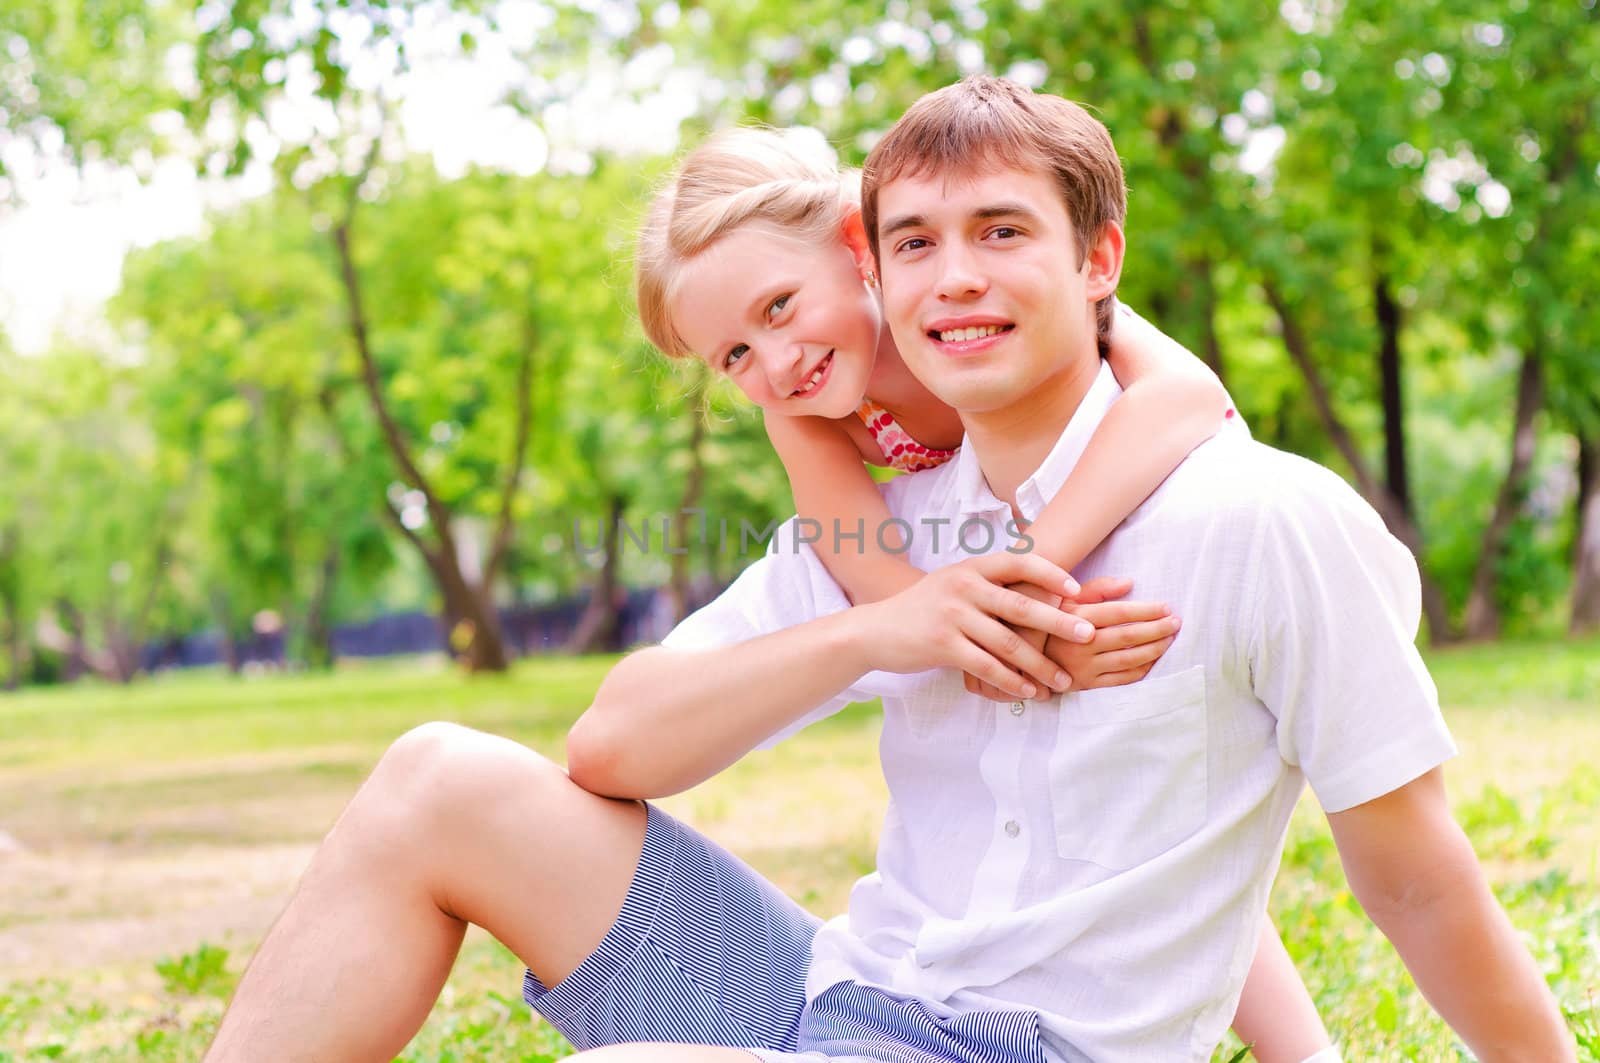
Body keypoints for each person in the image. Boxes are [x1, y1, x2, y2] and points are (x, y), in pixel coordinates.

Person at [205, 77, 1576, 1063]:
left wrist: (1026, 564)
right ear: (881, 255)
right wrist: (892, 628)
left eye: (998, 236)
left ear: (1097, 262)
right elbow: (609, 740)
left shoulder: (1252, 513)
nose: (952, 279)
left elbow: (1402, 872)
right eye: (920, 241)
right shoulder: (878, 511)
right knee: (438, 772)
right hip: (829, 991)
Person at [633, 124, 1331, 1060]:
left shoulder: (990, 301)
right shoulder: (797, 414)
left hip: (1093, 499)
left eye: (782, 306)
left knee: (1146, 808)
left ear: (859, 245)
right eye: (733, 356)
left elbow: (1191, 400)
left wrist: (1031, 582)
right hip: (988, 551)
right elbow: (895, 598)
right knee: (1097, 817)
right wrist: (1012, 634)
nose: (776, 361)